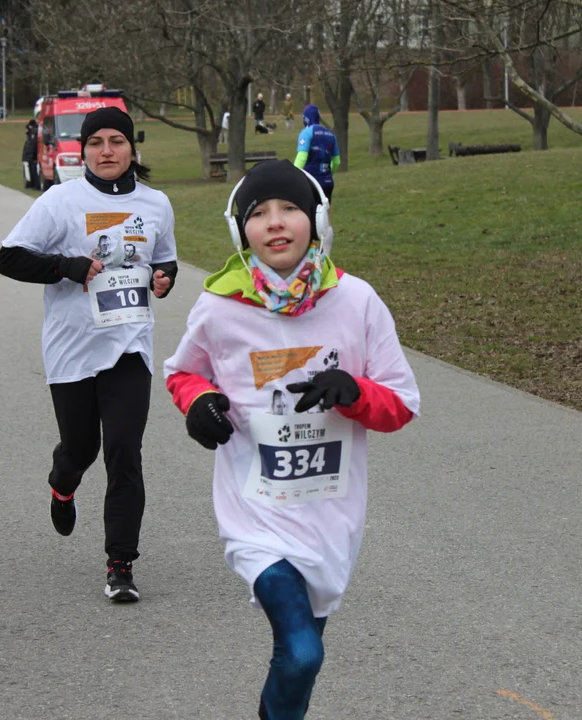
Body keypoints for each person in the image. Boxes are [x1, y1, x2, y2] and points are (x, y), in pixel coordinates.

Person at [163, 159, 420, 719]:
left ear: (317, 220)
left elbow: (401, 404)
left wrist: (352, 390)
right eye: (258, 213)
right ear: (240, 230)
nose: (275, 223)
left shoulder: (357, 301)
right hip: (255, 512)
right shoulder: (220, 305)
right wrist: (199, 403)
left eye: (290, 209)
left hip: (330, 515)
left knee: (300, 655)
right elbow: (183, 372)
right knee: (302, 653)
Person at [0, 106, 179, 603]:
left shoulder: (156, 203)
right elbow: (8, 257)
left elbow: (163, 260)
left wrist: (164, 279)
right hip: (72, 349)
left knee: (124, 452)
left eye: (116, 141)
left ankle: (121, 564)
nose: (106, 151)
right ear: (82, 150)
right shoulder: (61, 200)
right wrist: (65, 266)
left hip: (128, 346)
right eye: (96, 142)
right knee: (82, 449)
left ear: (132, 147)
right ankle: (62, 481)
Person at [295, 104, 341, 203]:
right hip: (327, 182)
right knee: (325, 213)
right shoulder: (331, 134)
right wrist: (328, 173)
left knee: (311, 214)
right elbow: (337, 161)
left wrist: (293, 174)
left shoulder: (306, 133)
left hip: (311, 182)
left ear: (306, 118)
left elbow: (302, 157)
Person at [22, 119, 40, 189]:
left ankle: (35, 185)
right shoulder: (35, 131)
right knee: (32, 170)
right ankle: (33, 184)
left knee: (34, 171)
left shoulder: (33, 132)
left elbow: (32, 145)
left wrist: (32, 155)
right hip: (33, 155)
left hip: (32, 156)